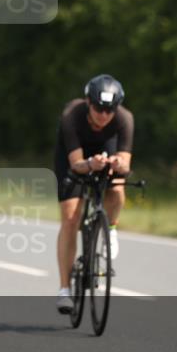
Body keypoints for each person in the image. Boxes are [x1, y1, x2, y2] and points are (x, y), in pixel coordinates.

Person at [53, 75, 133, 315]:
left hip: (105, 150)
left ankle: (110, 228)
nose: (104, 115)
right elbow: (76, 164)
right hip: (74, 158)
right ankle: (65, 289)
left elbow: (127, 166)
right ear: (88, 102)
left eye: (110, 110)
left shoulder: (125, 119)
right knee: (70, 218)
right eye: (99, 108)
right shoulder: (71, 115)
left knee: (117, 189)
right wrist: (90, 164)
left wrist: (118, 163)